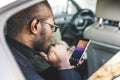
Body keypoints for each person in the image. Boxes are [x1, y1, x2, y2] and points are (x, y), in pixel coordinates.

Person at [5, 0, 81, 80]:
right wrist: (64, 66)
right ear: (35, 26)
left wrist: (60, 64)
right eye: (52, 27)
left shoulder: (8, 53)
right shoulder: (25, 74)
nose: (52, 34)